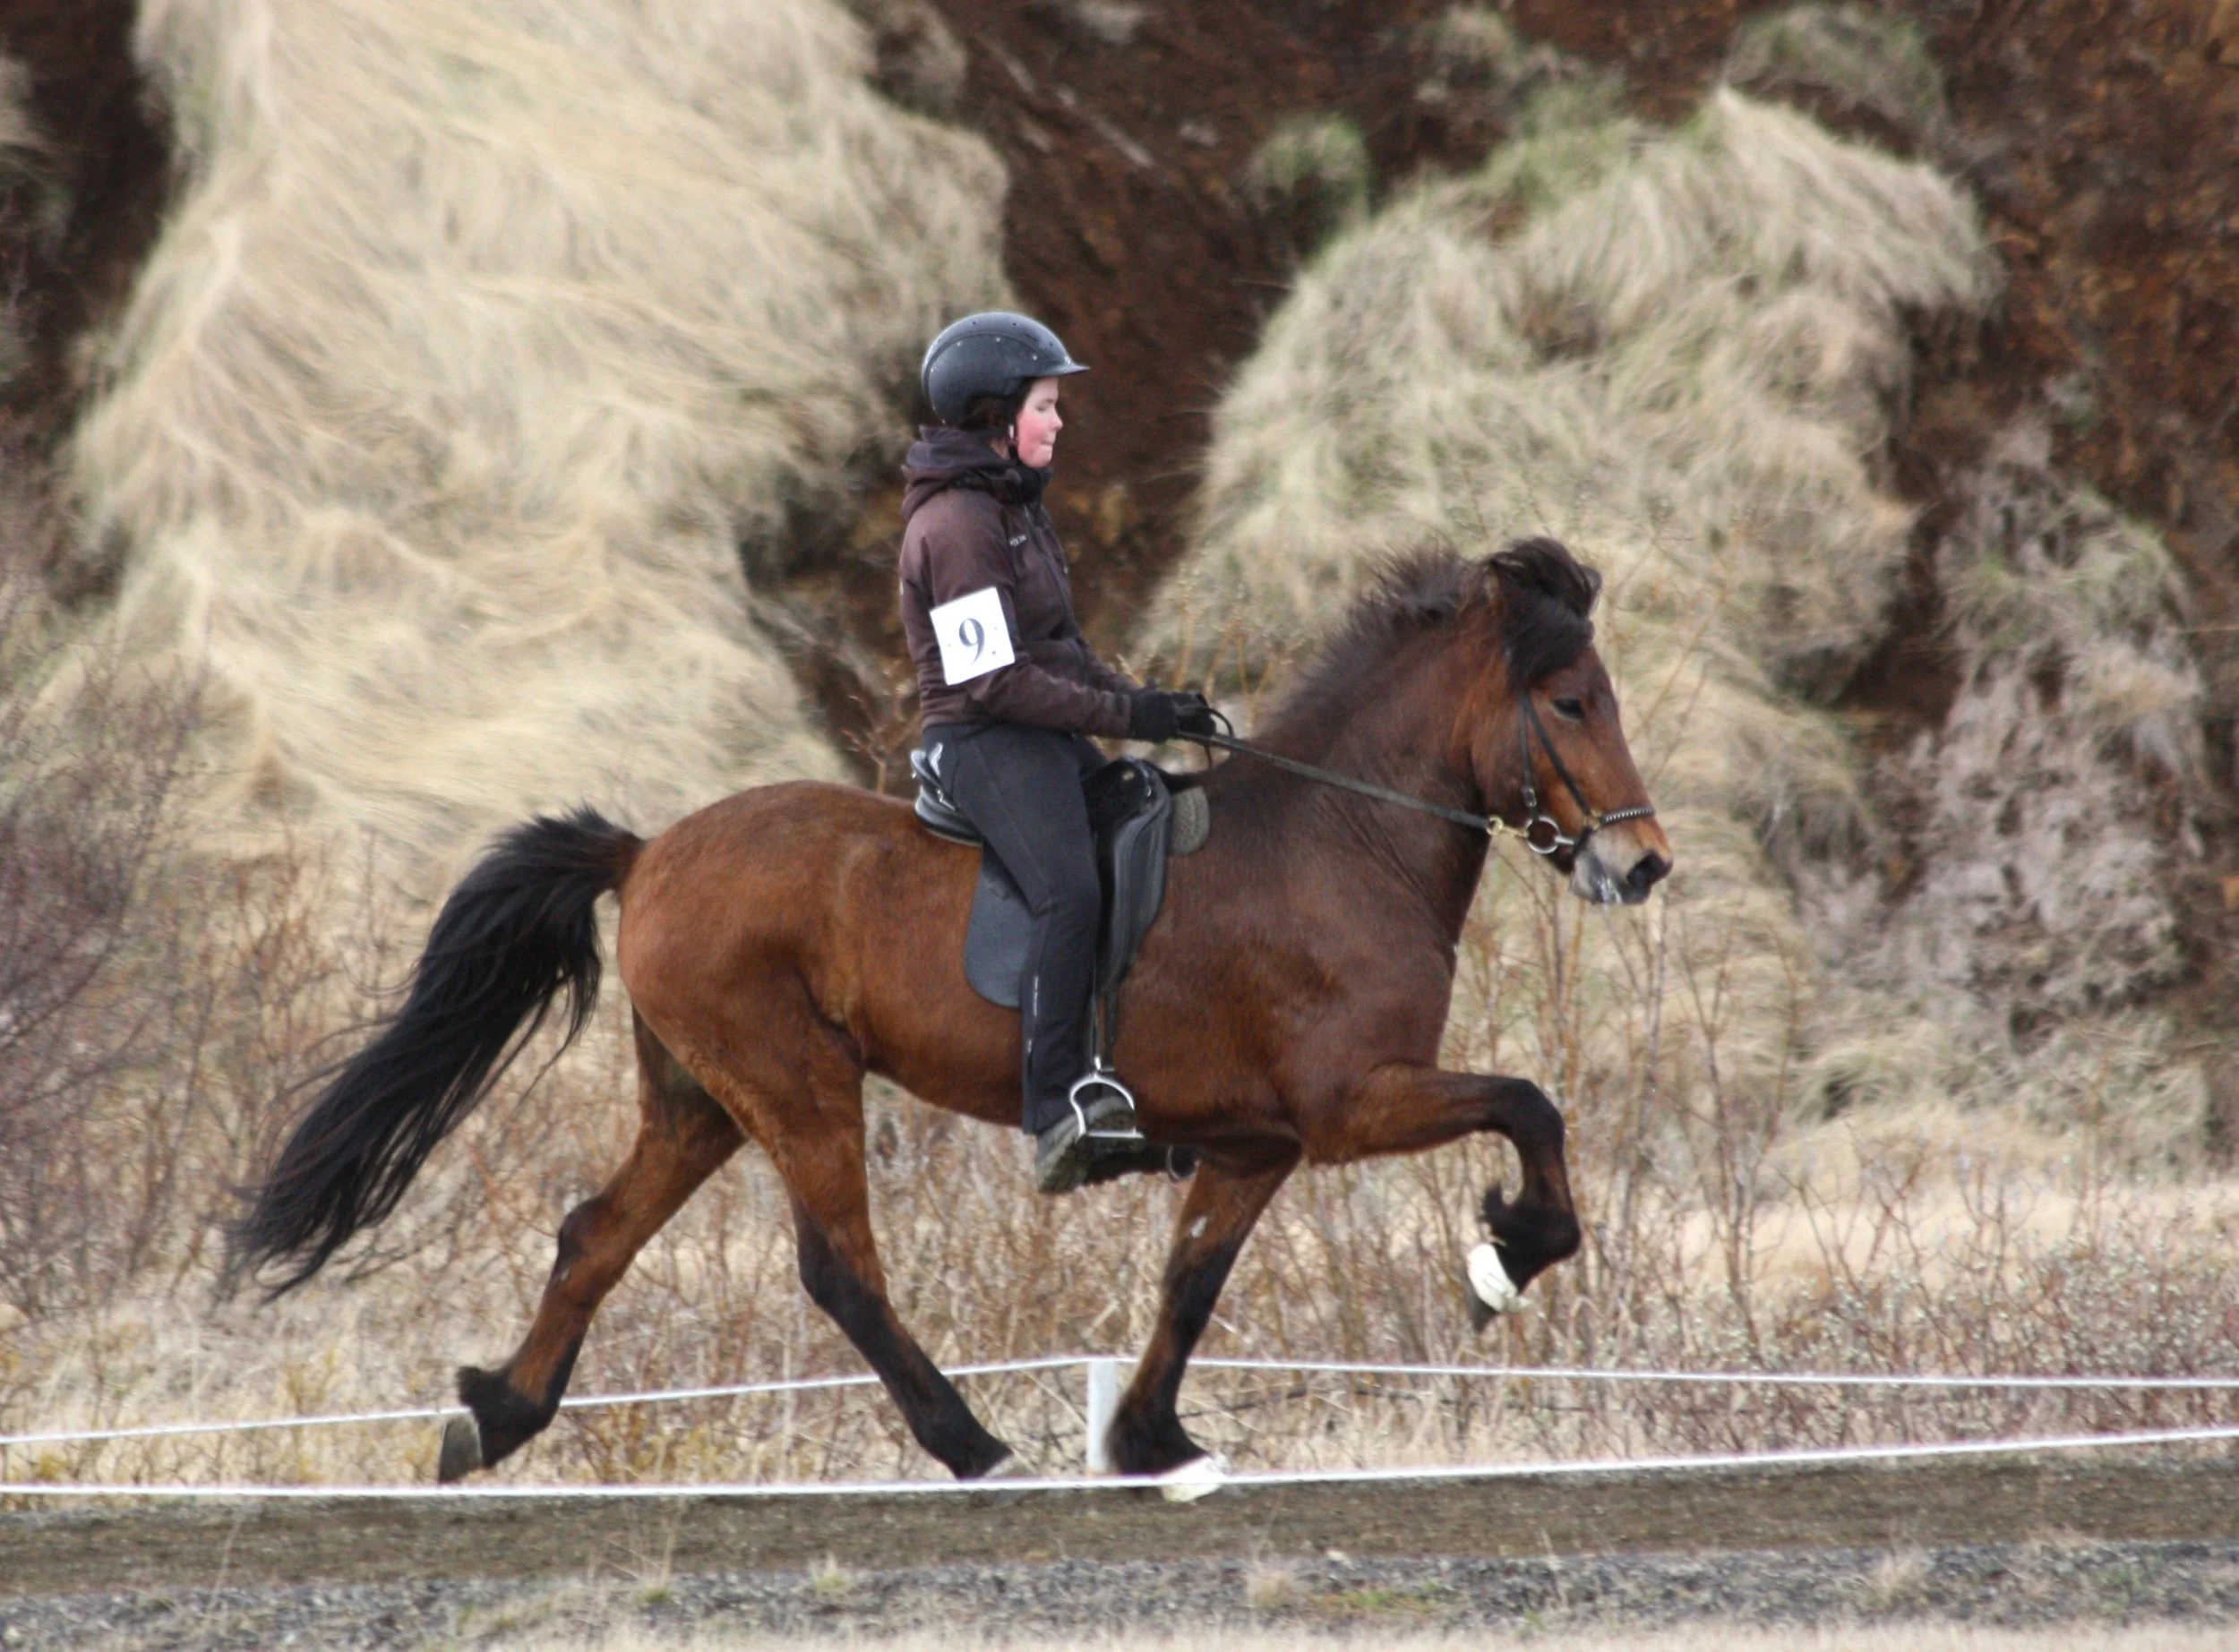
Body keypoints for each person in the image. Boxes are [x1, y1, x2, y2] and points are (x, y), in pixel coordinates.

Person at [899, 312, 1212, 1194]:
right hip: (983, 737)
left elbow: (1062, 655)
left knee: (1139, 813)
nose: (1059, 421)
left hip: (1033, 727)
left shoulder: (1012, 508)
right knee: (1068, 887)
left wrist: (1156, 709)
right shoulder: (959, 524)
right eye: (1045, 405)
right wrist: (1123, 710)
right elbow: (995, 684)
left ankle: (1139, 1068)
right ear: (999, 415)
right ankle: (1056, 1111)